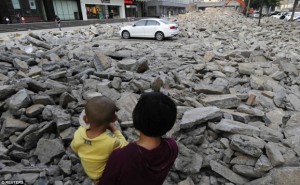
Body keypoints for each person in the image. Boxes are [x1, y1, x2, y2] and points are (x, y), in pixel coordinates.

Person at [98, 92, 178, 185]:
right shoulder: (172, 147)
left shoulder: (120, 157)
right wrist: (115, 130)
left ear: (137, 117)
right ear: (170, 124)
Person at [70, 96, 128, 184]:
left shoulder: (79, 133)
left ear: (85, 119)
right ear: (114, 119)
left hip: (89, 171)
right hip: (103, 175)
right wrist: (115, 131)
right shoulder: (110, 141)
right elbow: (126, 146)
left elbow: (74, 148)